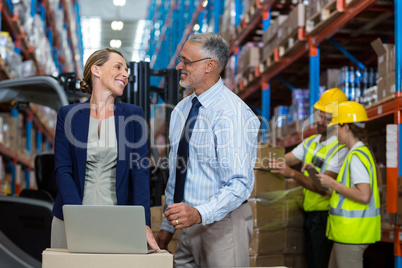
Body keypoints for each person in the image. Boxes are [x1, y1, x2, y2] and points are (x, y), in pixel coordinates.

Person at [155, 32, 260, 267]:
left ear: (209, 66)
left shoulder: (231, 113)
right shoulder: (182, 109)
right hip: (187, 225)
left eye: (186, 61)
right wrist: (167, 225)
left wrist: (200, 213)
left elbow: (240, 183)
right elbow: (178, 172)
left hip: (222, 225)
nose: (179, 66)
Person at [51, 48, 159, 252]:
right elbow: (63, 169)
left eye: (126, 69)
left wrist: (143, 224)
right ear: (96, 71)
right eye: (118, 67)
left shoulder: (133, 116)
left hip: (116, 220)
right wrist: (77, 217)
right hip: (69, 218)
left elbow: (140, 174)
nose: (125, 74)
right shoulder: (68, 115)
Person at [269, 88, 349, 268]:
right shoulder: (311, 142)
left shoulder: (341, 148)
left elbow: (323, 186)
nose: (320, 121)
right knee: (312, 262)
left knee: (320, 263)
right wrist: (261, 158)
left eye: (326, 119)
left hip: (327, 216)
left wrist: (292, 174)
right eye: (320, 116)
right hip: (310, 214)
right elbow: (285, 159)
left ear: (338, 121)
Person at [314, 101, 381, 268]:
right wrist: (328, 186)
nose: (334, 132)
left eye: (335, 127)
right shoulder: (355, 154)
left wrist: (333, 184)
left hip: (352, 233)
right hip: (346, 233)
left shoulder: (356, 157)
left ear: (346, 127)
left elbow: (364, 196)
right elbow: (347, 194)